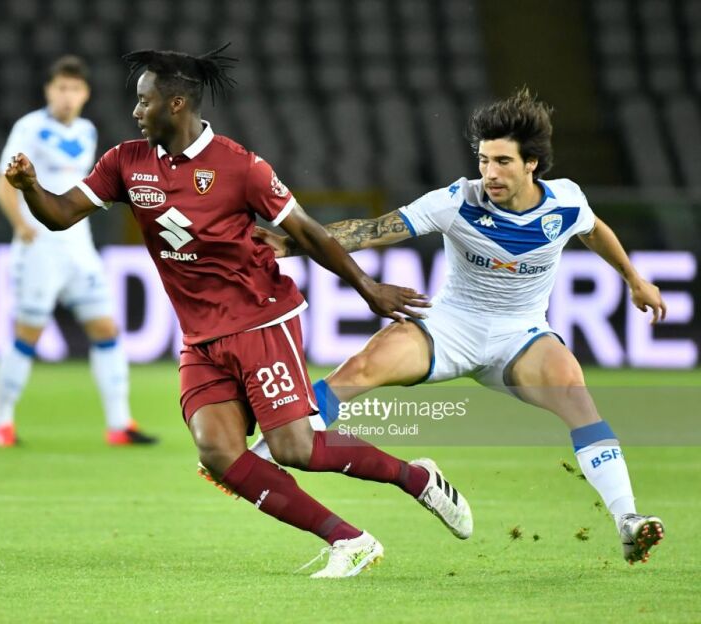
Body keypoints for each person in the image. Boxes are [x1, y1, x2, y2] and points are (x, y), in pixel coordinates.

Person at [4, 44, 472, 578]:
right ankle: (349, 540)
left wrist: (367, 288)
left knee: (294, 448)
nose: (135, 112)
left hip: (261, 321)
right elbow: (61, 214)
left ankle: (415, 478)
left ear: (176, 104)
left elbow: (307, 232)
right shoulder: (125, 163)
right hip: (201, 336)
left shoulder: (240, 166)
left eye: (144, 101)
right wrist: (31, 188)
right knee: (217, 451)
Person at [254, 88, 666, 565]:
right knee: (362, 367)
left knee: (576, 394)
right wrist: (291, 245)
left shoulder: (566, 201)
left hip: (520, 336)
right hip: (450, 328)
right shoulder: (457, 200)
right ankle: (266, 451)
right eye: (484, 160)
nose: (490, 173)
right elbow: (372, 230)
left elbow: (594, 230)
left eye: (503, 162)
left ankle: (628, 520)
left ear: (532, 164)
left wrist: (634, 279)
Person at [0, 55, 157, 448]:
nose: (67, 96)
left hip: (79, 248)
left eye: (74, 89)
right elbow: (3, 183)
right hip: (39, 249)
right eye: (61, 88)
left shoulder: (86, 131)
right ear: (49, 90)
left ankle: (120, 424)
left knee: (106, 329)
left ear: (85, 94)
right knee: (28, 333)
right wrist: (22, 225)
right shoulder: (29, 127)